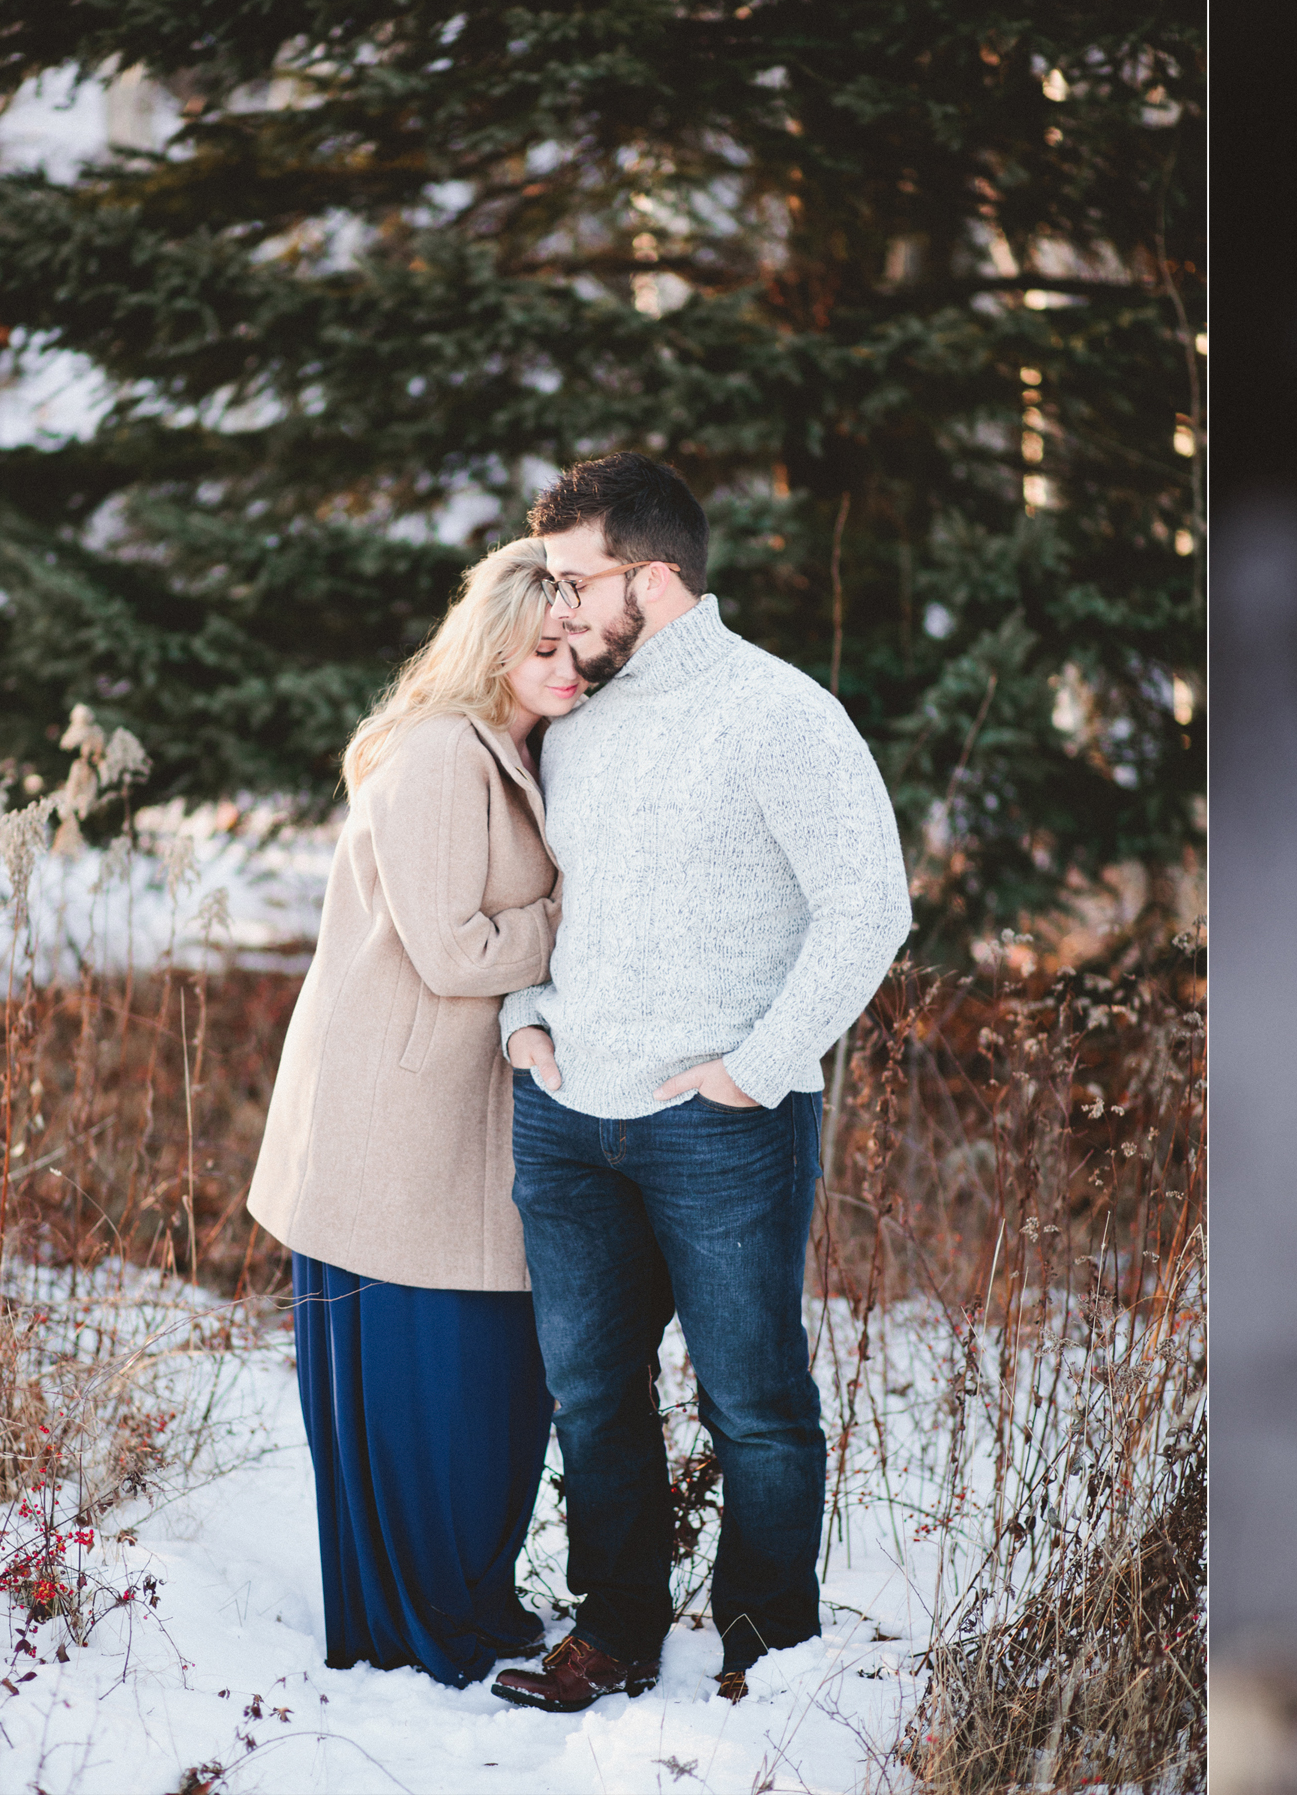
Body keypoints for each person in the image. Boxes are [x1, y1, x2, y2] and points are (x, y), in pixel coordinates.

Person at [486, 453, 911, 1712]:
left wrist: (753, 1072)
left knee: (755, 1403)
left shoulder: (777, 711)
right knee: (588, 1392)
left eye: (575, 580)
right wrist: (524, 1025)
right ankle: (612, 1626)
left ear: (653, 577)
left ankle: (768, 1655)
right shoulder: (574, 711)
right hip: (566, 1117)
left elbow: (868, 908)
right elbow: (538, 893)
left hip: (721, 1128)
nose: (556, 609)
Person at [246, 538, 585, 1687]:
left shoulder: (514, 748)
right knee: (434, 1379)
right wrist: (576, 915)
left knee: (489, 1378)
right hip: (397, 1118)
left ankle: (460, 1594)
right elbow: (452, 951)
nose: (570, 667)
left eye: (581, 646)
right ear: (492, 645)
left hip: (459, 1113)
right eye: (544, 647)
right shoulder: (445, 754)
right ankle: (418, 1619)